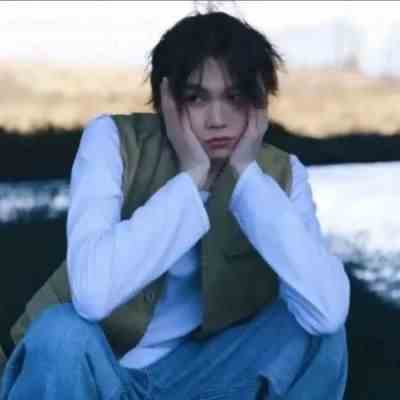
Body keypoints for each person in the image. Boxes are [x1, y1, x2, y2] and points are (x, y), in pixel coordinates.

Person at [0, 10, 350, 400]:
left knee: (320, 334)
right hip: (101, 372)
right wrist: (193, 177)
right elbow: (92, 295)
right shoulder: (112, 140)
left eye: (234, 97)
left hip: (206, 377)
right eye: (197, 98)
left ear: (259, 101)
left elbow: (328, 309)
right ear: (167, 99)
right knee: (60, 334)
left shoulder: (282, 175)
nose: (217, 119)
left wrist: (248, 177)